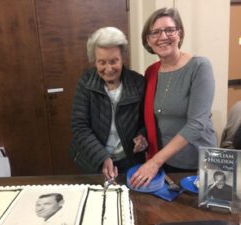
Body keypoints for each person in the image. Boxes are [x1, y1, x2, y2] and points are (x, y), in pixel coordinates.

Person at [130, 7, 217, 188]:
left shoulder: (200, 67)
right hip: (166, 163)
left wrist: (154, 162)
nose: (163, 37)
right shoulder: (151, 72)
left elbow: (197, 123)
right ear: (148, 40)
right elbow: (153, 116)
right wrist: (142, 136)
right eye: (155, 32)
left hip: (198, 164)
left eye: (169, 30)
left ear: (179, 33)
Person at [70, 27, 148, 180]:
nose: (108, 68)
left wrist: (142, 136)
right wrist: (102, 157)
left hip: (129, 160)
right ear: (94, 61)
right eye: (102, 62)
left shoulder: (138, 83)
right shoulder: (85, 82)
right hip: (94, 160)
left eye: (114, 61)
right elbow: (79, 126)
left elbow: (146, 122)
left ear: (123, 58)